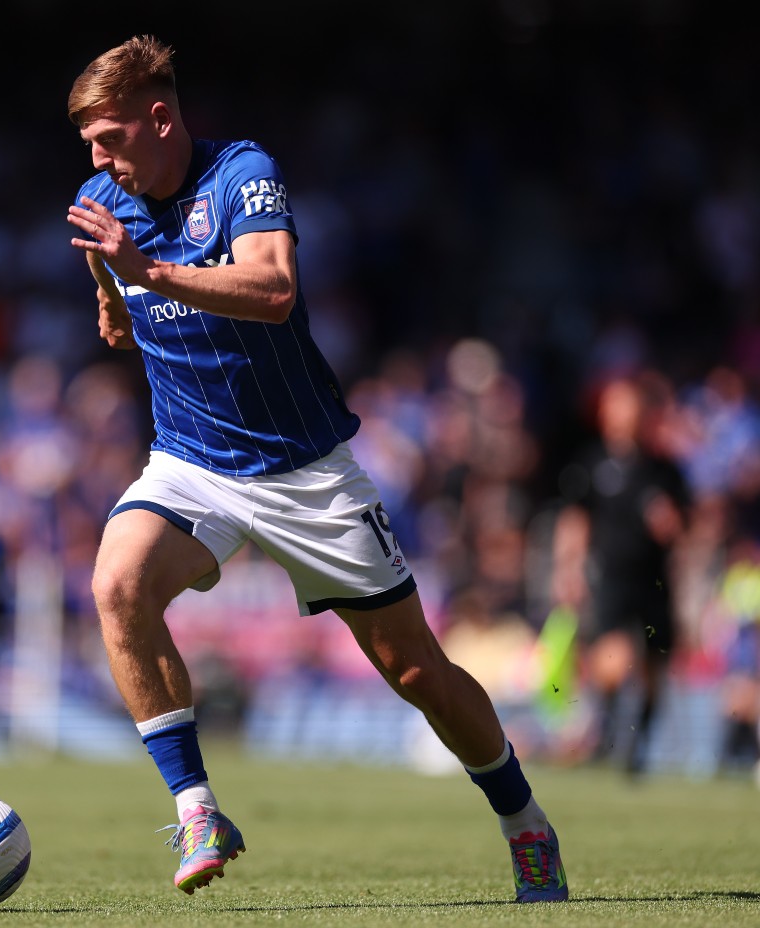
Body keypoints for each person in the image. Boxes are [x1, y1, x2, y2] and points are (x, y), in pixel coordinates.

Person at [65, 35, 568, 903]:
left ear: (161, 118)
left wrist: (145, 271)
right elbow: (101, 262)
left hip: (306, 473)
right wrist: (112, 297)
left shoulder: (241, 174)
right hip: (191, 463)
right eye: (89, 147)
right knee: (117, 584)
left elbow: (274, 290)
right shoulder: (102, 199)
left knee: (416, 672)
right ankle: (197, 811)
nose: (100, 162)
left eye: (111, 139)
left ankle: (525, 822)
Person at [551, 372, 691, 776]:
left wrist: (668, 523)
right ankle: (607, 728)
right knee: (614, 659)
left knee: (654, 667)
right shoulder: (591, 464)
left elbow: (683, 529)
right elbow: (575, 520)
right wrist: (568, 569)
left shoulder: (665, 470)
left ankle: (638, 743)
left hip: (655, 580)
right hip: (611, 577)